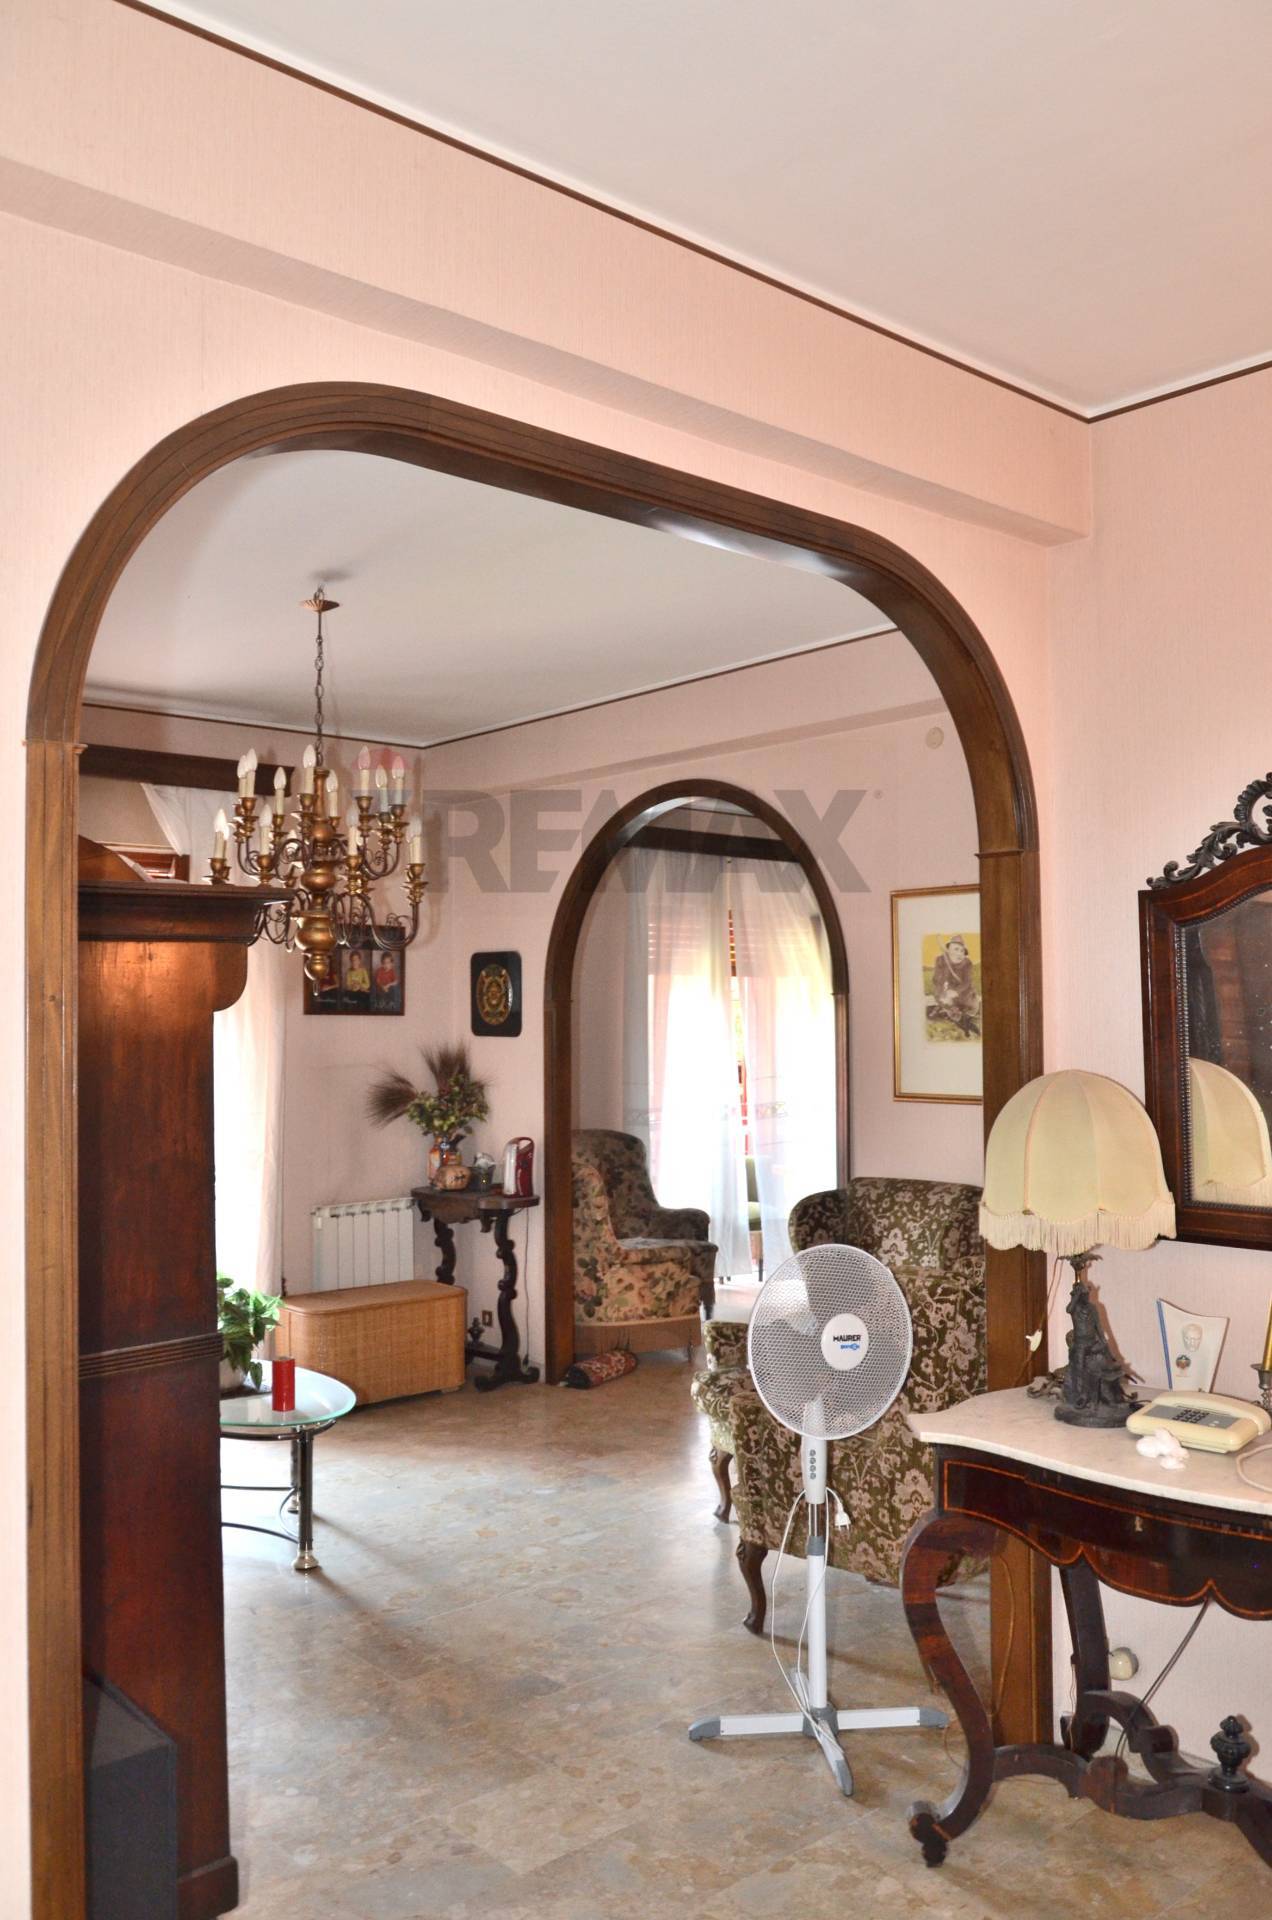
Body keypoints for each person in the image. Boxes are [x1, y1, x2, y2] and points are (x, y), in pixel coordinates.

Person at [928, 933, 981, 1037]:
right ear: (948, 950)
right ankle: (953, 1015)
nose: (960, 953)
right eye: (956, 949)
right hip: (945, 991)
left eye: (962, 951)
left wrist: (956, 991)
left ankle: (964, 1018)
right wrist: (944, 987)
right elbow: (936, 980)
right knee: (945, 1001)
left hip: (962, 991)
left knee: (971, 1005)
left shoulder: (967, 963)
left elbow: (967, 982)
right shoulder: (940, 960)